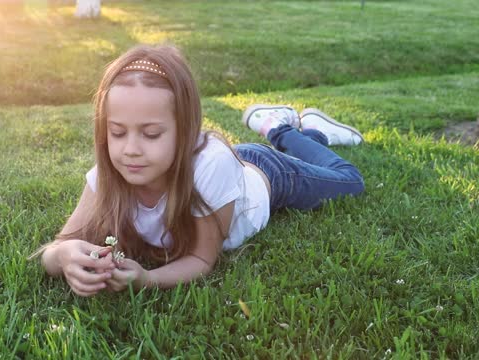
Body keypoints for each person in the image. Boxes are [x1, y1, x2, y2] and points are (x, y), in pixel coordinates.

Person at [30, 44, 364, 297]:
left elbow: (202, 260)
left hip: (267, 175)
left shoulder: (209, 168)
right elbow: (54, 249)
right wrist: (64, 257)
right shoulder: (107, 175)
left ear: (186, 131)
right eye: (117, 132)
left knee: (349, 181)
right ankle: (302, 132)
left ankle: (284, 130)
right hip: (236, 168)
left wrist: (146, 279)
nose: (130, 148)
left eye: (151, 133)